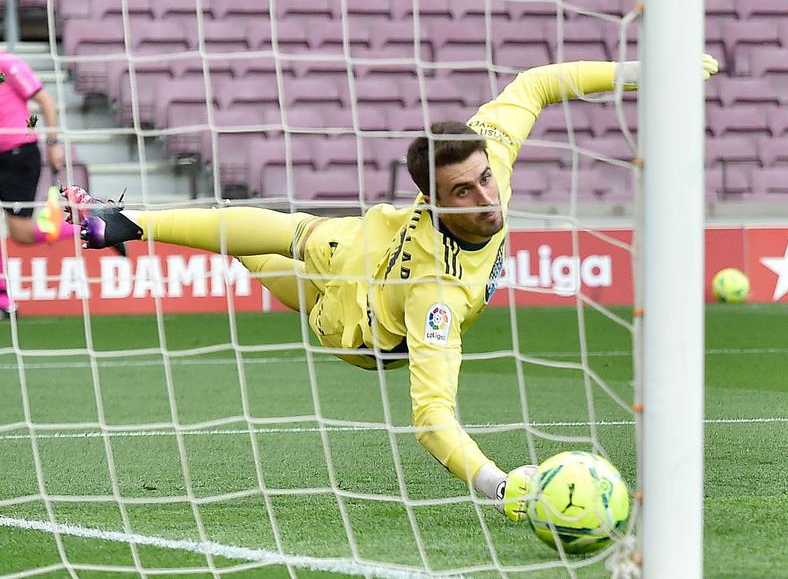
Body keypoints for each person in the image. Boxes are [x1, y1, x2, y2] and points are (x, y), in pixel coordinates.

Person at [65, 55, 719, 515]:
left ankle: (120, 222)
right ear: (432, 202)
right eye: (463, 191)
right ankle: (119, 222)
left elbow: (537, 83)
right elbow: (432, 421)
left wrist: (643, 75)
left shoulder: (488, 157)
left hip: (359, 291)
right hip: (354, 293)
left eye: (485, 178)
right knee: (277, 242)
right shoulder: (439, 297)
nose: (487, 197)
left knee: (272, 247)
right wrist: (502, 486)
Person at [0, 50, 80, 319]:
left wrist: (53, 142)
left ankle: (88, 228)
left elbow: (44, 101)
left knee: (20, 235)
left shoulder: (7, 64)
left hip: (17, 154)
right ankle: (3, 299)